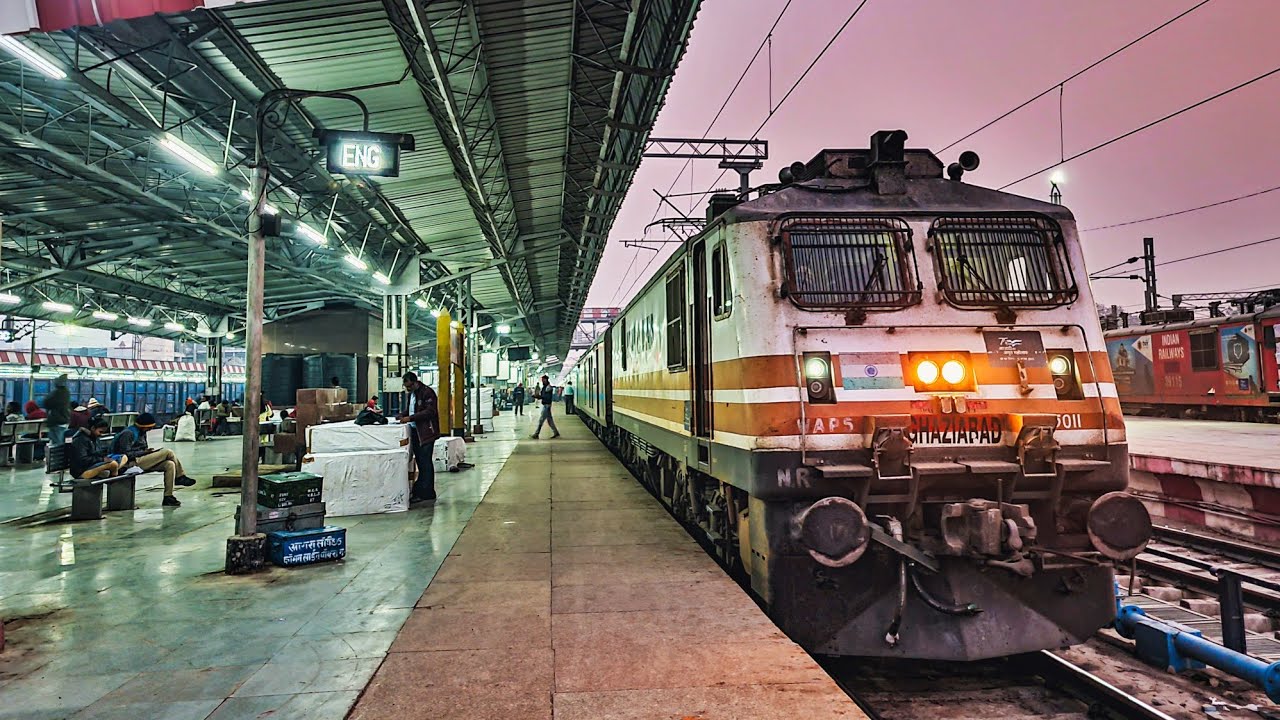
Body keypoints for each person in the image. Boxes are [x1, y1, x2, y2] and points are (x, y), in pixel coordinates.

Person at [113, 412, 193, 506]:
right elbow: (126, 454)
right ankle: (180, 476)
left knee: (169, 464)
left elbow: (142, 449)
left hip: (140, 460)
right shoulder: (128, 433)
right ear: (143, 425)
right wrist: (144, 452)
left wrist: (148, 452)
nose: (150, 429)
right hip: (129, 463)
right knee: (168, 452)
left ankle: (168, 496)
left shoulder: (142, 433)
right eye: (149, 427)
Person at [398, 371, 439, 502]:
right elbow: (411, 410)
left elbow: (430, 411)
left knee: (425, 462)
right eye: (406, 387)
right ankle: (422, 490)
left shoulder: (427, 393)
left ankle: (427, 492)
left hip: (426, 432)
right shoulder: (412, 394)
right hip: (415, 432)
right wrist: (402, 415)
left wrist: (410, 418)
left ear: (416, 382)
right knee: (420, 463)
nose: (408, 389)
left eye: (410, 386)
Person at [43, 374, 71, 447]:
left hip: (57, 421)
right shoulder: (66, 392)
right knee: (60, 442)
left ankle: (57, 454)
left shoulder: (57, 393)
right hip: (63, 420)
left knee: (57, 443)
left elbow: (46, 403)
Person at [530, 375, 560, 439]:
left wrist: (538, 396)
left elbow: (546, 397)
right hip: (546, 405)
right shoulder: (545, 387)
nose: (542, 381)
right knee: (549, 420)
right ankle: (556, 432)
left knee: (541, 420)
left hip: (547, 405)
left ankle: (536, 434)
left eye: (543, 380)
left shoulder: (548, 387)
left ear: (546, 380)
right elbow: (543, 396)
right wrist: (537, 396)